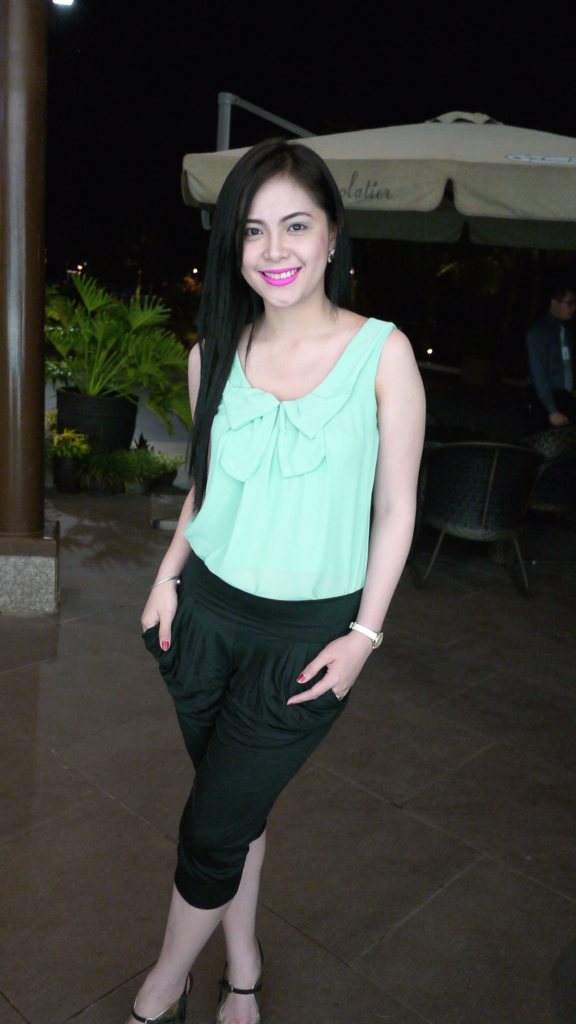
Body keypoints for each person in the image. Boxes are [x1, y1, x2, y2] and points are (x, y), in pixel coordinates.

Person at [129, 138, 425, 1024]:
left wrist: (363, 637)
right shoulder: (212, 353)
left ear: (332, 234)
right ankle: (244, 965)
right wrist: (166, 579)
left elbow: (396, 510)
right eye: (253, 230)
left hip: (306, 642)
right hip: (203, 620)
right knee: (239, 814)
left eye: (295, 225)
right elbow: (205, 487)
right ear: (234, 245)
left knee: (211, 826)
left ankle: (160, 990)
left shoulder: (383, 353)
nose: (274, 249)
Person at [526, 285, 576, 431]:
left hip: (563, 396)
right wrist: (551, 410)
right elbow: (538, 372)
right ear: (554, 303)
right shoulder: (539, 331)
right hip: (543, 398)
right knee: (540, 440)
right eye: (569, 303)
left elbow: (565, 364)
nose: (574, 308)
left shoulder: (564, 330)